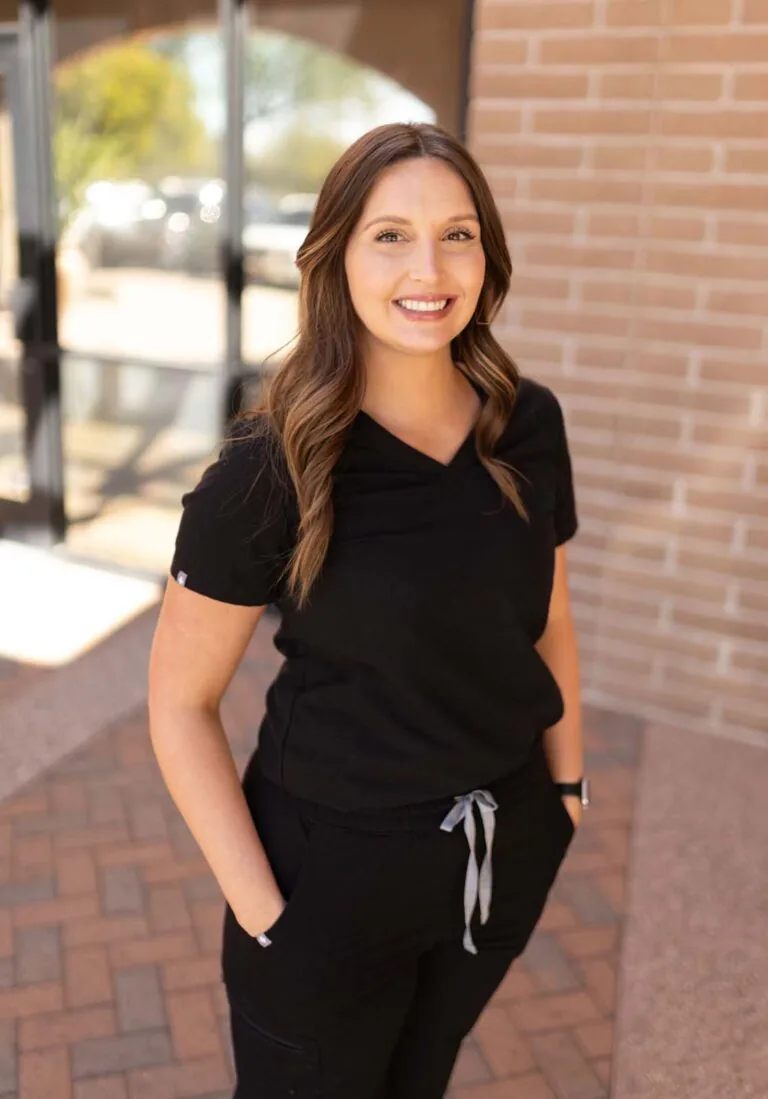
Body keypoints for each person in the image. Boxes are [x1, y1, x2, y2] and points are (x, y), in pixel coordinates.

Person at [148, 121, 588, 1099]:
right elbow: (180, 706)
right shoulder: (270, 472)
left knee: (417, 1081)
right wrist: (268, 915)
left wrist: (565, 795)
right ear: (335, 256)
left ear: (487, 255)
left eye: (458, 234)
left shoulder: (529, 423)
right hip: (327, 886)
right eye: (390, 234)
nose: (429, 265)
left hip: (499, 847)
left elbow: (550, 615)